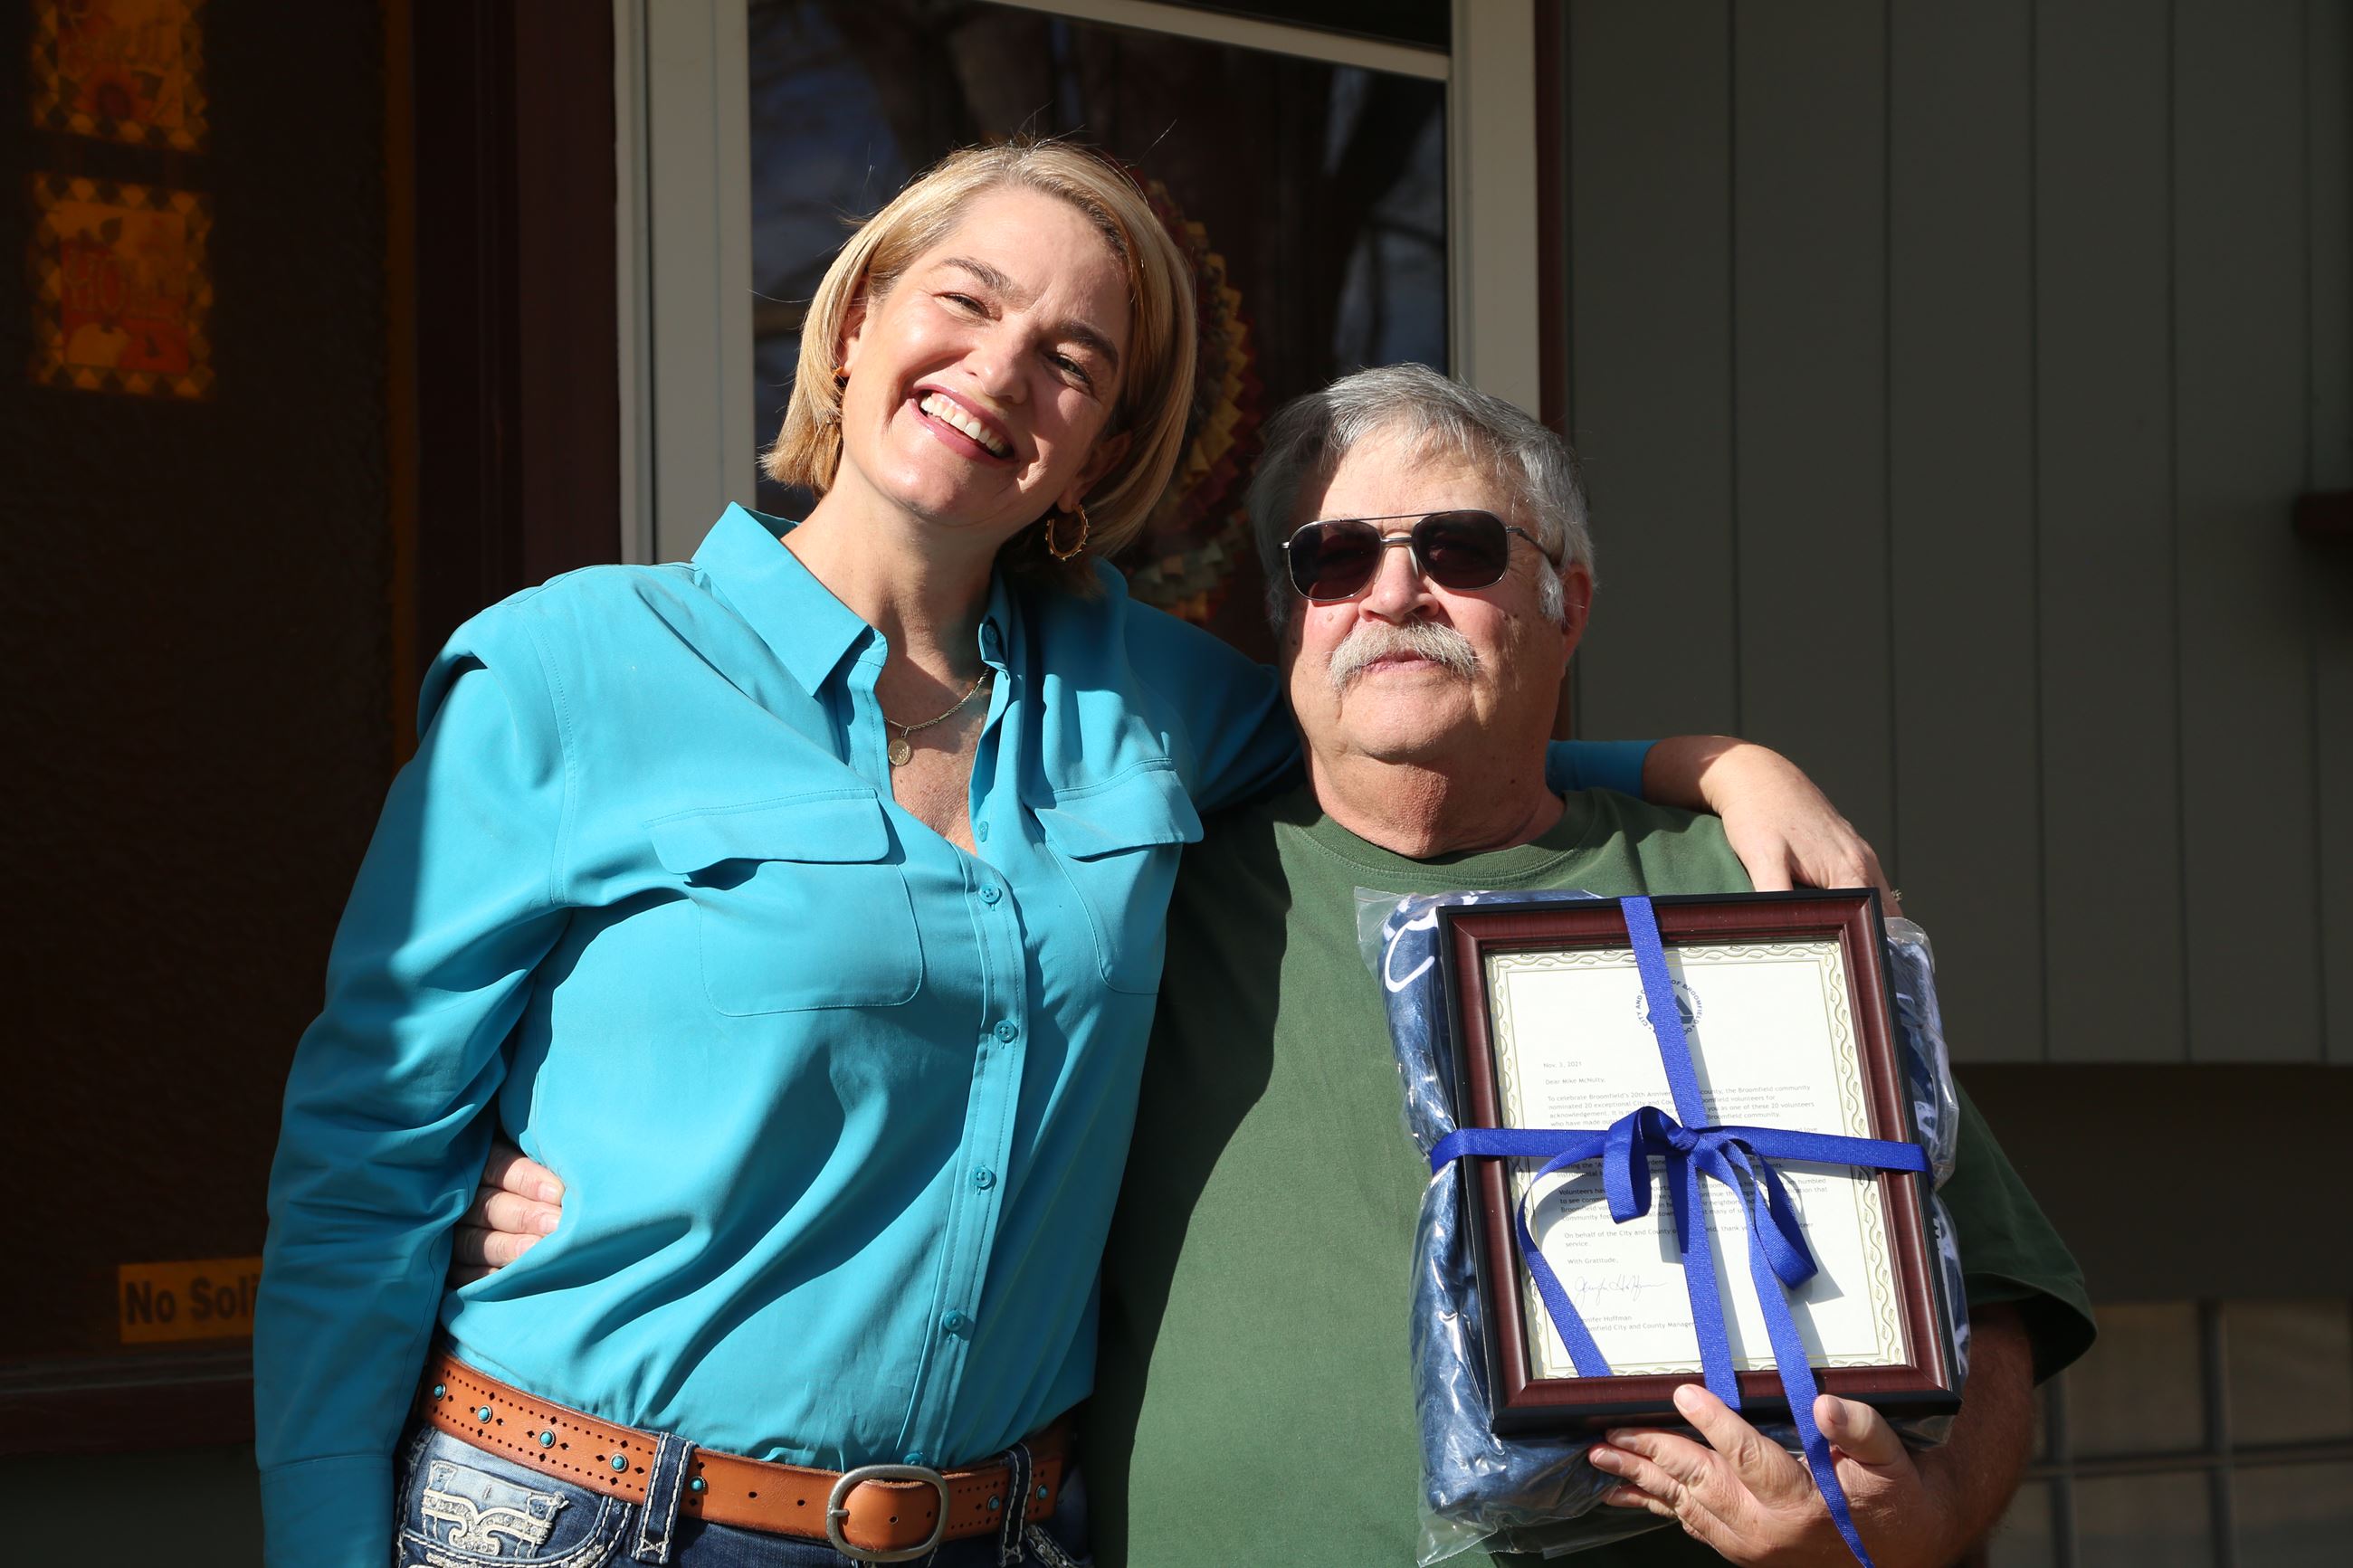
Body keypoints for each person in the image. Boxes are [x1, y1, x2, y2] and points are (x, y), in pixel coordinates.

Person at [256, 143, 1878, 1568]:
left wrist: (1706, 764)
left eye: (1073, 358)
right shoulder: (565, 671)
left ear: (1099, 451)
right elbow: (364, 1159)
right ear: (854, 322)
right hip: (580, 1515)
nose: (1002, 369)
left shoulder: (1154, 701)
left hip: (998, 1527)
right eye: (962, 301)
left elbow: (1408, 733)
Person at [469, 366, 2093, 1565]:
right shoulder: (1140, 896)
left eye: (1459, 548)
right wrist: (549, 1169)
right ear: (1287, 620)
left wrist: (1926, 1514)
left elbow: (1996, 1278)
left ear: (1565, 597)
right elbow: (859, 1055)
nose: (1395, 590)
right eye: (1335, 559)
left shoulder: (1740, 887)